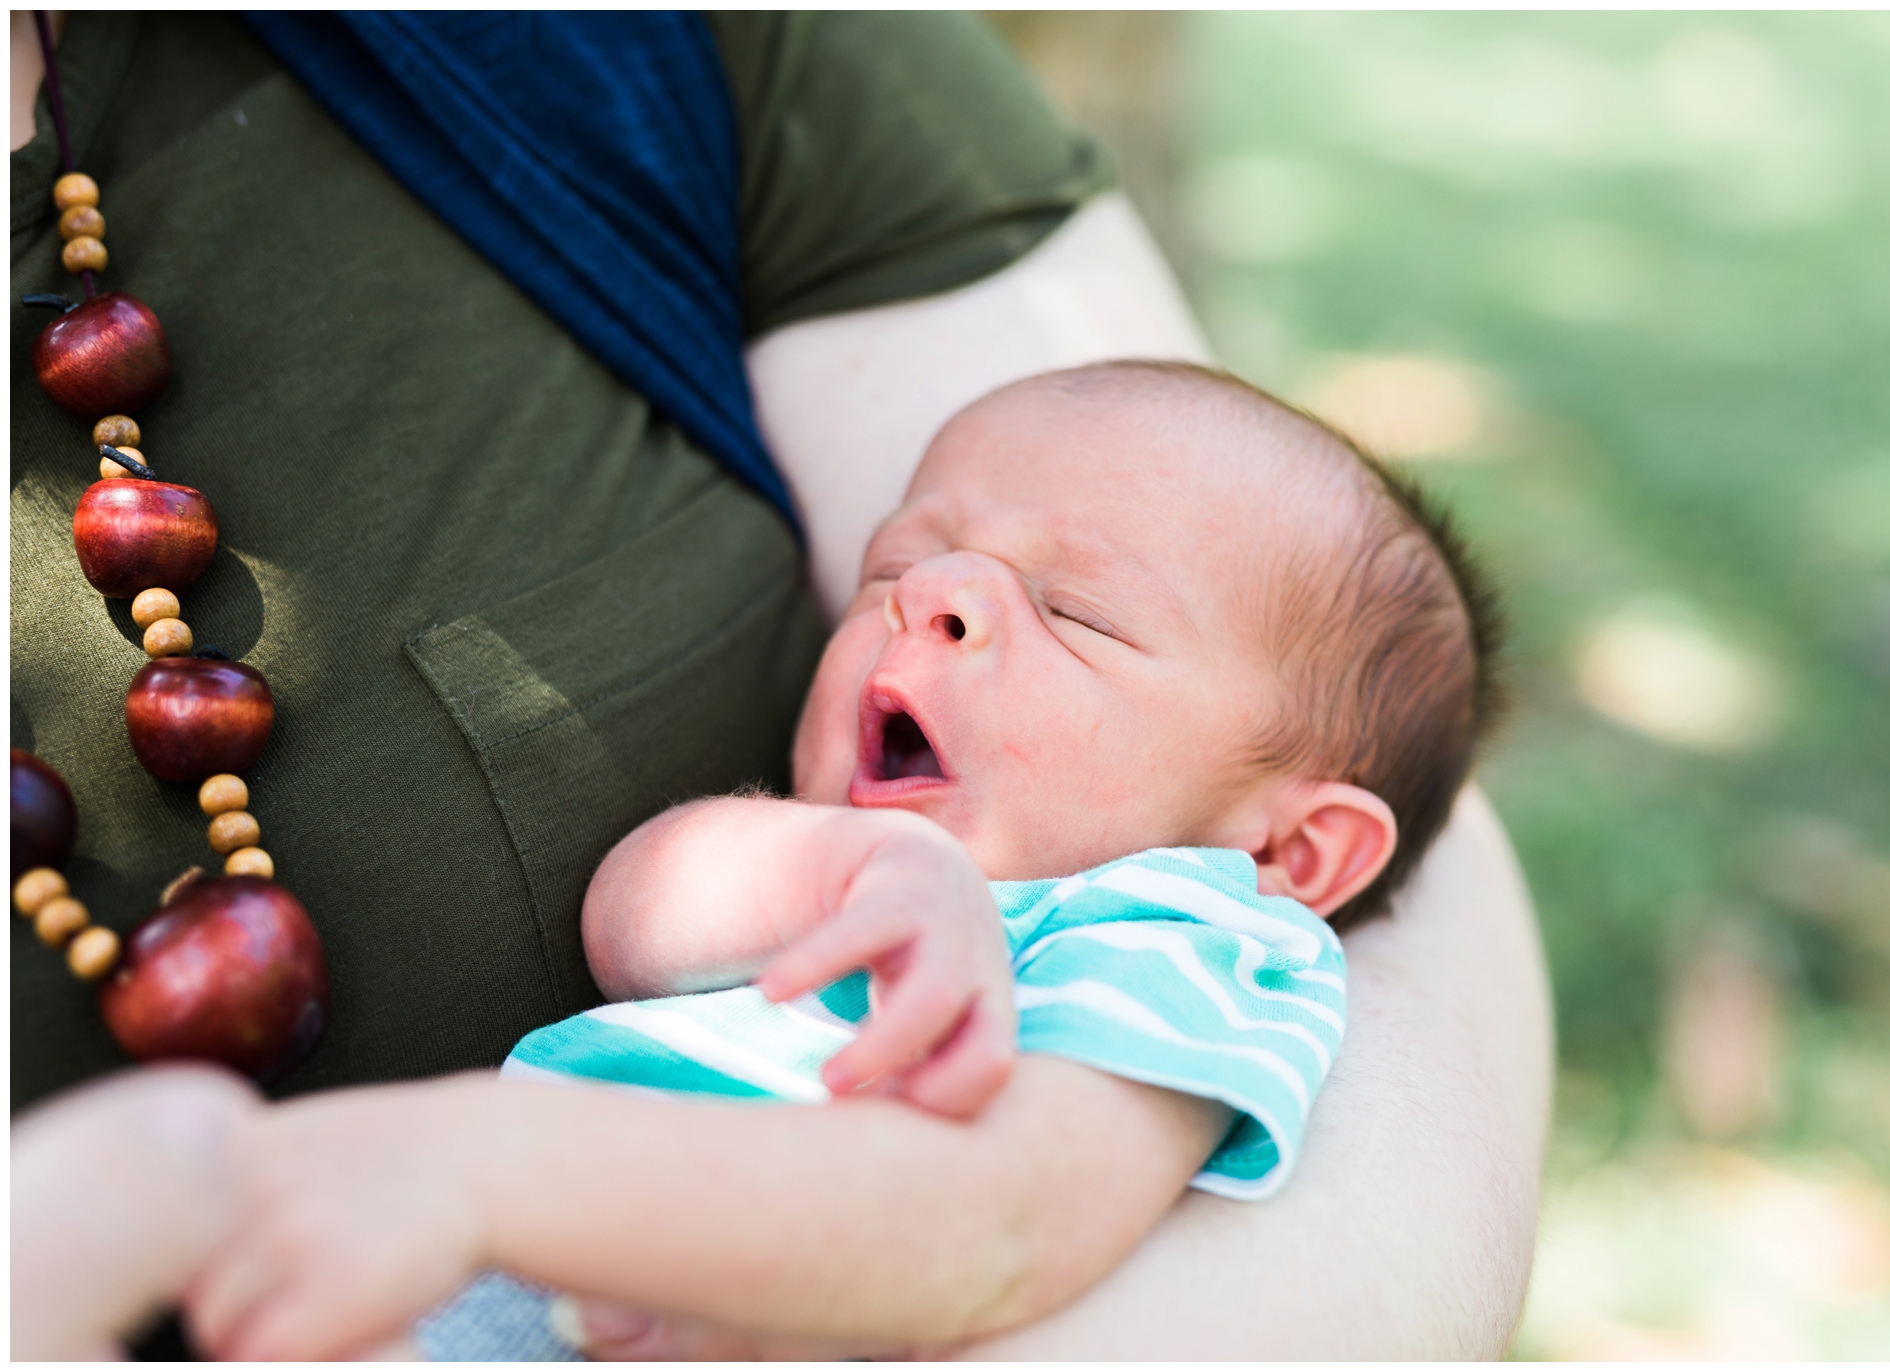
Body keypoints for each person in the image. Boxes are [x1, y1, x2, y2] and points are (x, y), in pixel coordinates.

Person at [10, 12, 1550, 1360]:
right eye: (903, 563)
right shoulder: (843, 883)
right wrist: (842, 862)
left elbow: (995, 1228)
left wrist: (466, 1172)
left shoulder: (1182, 953)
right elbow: (630, 913)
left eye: (1075, 613)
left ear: (1292, 853)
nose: (934, 600)